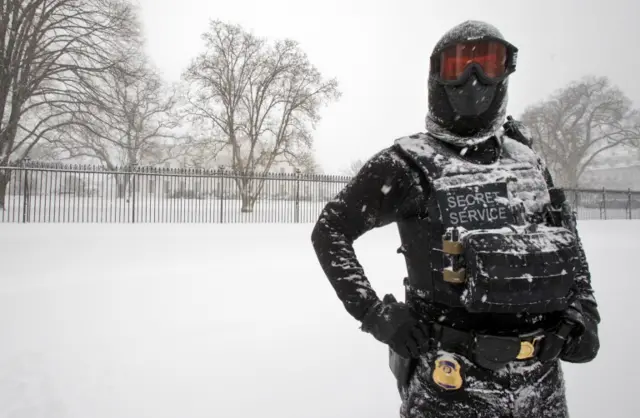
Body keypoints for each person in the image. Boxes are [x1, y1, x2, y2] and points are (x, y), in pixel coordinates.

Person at [310, 20, 600, 418]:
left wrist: (584, 311)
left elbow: (567, 239)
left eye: (488, 64)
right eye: (458, 66)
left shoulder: (528, 160)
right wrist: (374, 314)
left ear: (506, 72)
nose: (473, 79)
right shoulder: (407, 164)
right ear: (436, 76)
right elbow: (330, 230)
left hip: (542, 384)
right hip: (450, 387)